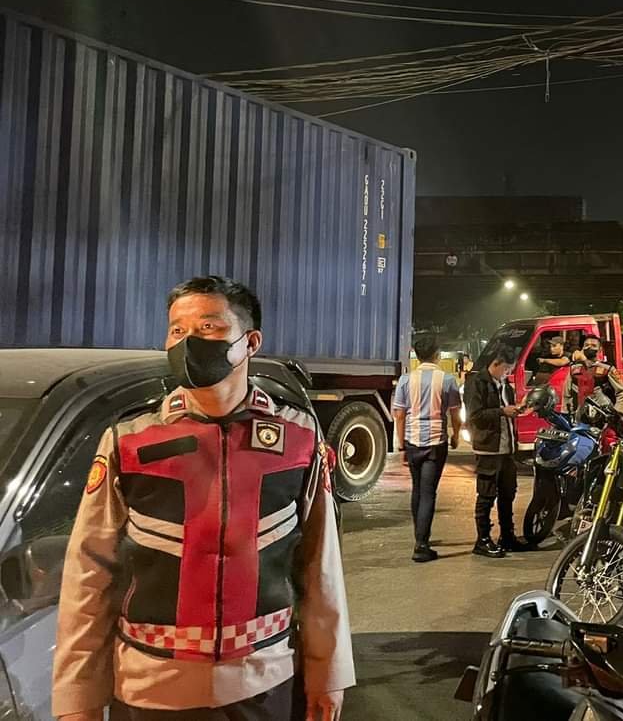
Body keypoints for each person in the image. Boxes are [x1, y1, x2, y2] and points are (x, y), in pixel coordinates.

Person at [52, 276, 354, 721]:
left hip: (264, 683)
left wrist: (329, 673)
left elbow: (320, 565)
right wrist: (77, 697)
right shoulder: (130, 440)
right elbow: (88, 573)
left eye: (209, 327)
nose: (189, 342)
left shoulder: (299, 439)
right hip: (150, 689)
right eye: (178, 330)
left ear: (250, 343)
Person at [393, 332, 463, 563]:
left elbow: (399, 415)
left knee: (417, 490)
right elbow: (455, 414)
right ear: (437, 354)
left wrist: (401, 444)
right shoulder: (448, 380)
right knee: (428, 492)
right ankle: (422, 545)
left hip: (412, 441)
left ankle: (420, 535)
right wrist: (455, 436)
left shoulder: (406, 380)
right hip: (435, 442)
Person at [464, 344, 532, 558]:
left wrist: (518, 409)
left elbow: (507, 410)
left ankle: (507, 536)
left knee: (507, 493)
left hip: (506, 448)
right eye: (506, 369)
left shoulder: (504, 385)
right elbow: (475, 416)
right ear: (495, 364)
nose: (508, 373)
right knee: (486, 495)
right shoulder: (478, 383)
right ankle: (483, 540)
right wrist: (502, 411)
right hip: (488, 448)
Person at [562, 332, 623, 415]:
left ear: (600, 349)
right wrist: (566, 413)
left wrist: (617, 413)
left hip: (603, 415)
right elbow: (566, 394)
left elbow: (621, 392)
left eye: (594, 345)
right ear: (583, 347)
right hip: (579, 415)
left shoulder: (607, 368)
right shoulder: (574, 368)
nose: (589, 347)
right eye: (587, 345)